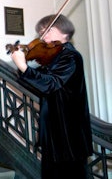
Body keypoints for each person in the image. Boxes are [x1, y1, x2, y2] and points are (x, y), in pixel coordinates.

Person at [10, 14, 93, 179]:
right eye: (41, 32)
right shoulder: (54, 58)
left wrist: (25, 68)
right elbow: (36, 84)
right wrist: (22, 68)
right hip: (55, 133)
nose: (43, 36)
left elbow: (51, 83)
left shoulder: (70, 56)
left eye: (49, 30)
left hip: (68, 133)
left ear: (65, 33)